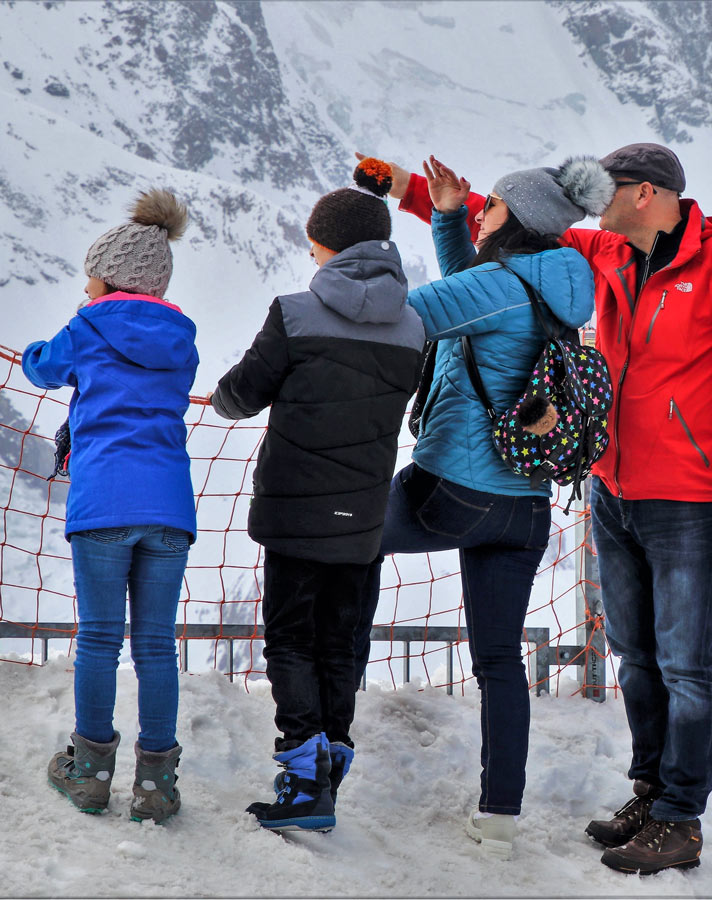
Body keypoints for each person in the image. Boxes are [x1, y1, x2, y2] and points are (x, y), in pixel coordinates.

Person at [367, 141, 712, 874]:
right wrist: (412, 192)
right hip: (614, 488)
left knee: (686, 665)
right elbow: (509, 225)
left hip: (692, 493)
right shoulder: (607, 251)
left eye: (613, 185)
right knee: (635, 656)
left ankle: (681, 818)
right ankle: (650, 791)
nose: (596, 198)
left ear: (645, 193)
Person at [374, 154, 609, 861]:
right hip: (524, 508)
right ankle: (499, 814)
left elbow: (407, 315)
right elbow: (472, 292)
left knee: (347, 541)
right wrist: (448, 215)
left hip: (454, 489)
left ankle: (326, 734)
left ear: (521, 222)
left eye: (493, 208)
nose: (484, 212)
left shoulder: (500, 286)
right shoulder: (556, 285)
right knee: (499, 659)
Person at [210, 159, 425, 832]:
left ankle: (304, 785)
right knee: (340, 644)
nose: (310, 252)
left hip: (296, 509)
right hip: (363, 515)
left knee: (291, 641)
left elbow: (241, 394)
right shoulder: (416, 328)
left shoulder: (295, 314)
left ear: (329, 246)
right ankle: (331, 765)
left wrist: (221, 395)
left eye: (314, 242)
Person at [23, 189, 196, 824]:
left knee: (99, 638)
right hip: (170, 505)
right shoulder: (182, 336)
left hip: (102, 502)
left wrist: (83, 314)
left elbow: (41, 367)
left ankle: (91, 775)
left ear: (108, 276)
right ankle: (156, 787)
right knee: (156, 645)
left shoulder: (88, 324)